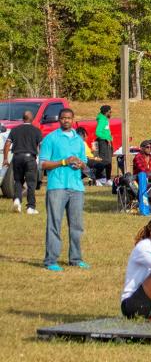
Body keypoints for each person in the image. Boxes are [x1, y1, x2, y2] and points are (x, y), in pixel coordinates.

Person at [38, 108, 89, 271]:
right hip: (57, 186)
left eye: (69, 118)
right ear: (59, 120)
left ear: (73, 120)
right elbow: (43, 164)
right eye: (63, 118)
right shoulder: (50, 139)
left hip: (76, 187)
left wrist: (81, 164)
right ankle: (51, 260)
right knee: (54, 223)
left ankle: (75, 258)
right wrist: (64, 162)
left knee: (77, 225)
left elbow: (86, 164)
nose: (66, 120)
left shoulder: (79, 140)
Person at [3, 110, 43, 214]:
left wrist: (5, 159)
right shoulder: (36, 131)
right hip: (30, 158)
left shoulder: (15, 130)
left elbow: (7, 144)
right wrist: (41, 158)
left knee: (18, 181)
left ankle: (17, 200)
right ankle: (30, 207)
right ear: (32, 119)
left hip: (17, 157)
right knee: (31, 183)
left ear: (23, 118)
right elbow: (41, 146)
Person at [93, 105, 114, 185]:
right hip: (103, 142)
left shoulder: (105, 119)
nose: (111, 113)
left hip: (107, 142)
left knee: (109, 161)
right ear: (106, 112)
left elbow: (105, 131)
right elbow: (97, 132)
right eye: (110, 112)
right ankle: (98, 179)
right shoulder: (101, 119)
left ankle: (108, 179)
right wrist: (106, 138)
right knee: (104, 161)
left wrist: (109, 138)